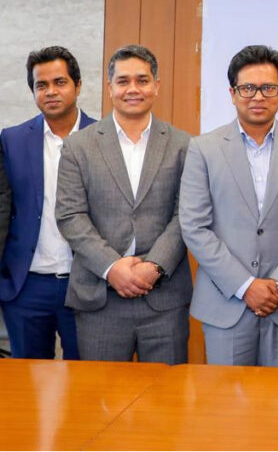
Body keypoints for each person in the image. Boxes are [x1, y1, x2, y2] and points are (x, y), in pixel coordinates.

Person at [180, 45, 278, 367]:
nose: (258, 97)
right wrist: (245, 286)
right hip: (226, 302)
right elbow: (194, 226)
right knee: (225, 399)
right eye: (248, 88)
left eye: (268, 88)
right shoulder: (203, 149)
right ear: (232, 93)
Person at [56, 44, 192, 364]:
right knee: (100, 392)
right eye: (123, 81)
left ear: (156, 86)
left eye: (142, 80)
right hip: (99, 297)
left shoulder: (183, 145)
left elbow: (186, 215)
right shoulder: (78, 146)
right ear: (110, 88)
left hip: (163, 300)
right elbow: (71, 215)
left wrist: (154, 266)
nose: (133, 89)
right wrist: (112, 267)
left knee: (167, 393)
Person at [0, 46, 96, 359]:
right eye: (41, 85)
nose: (51, 91)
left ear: (78, 85)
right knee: (27, 381)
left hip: (87, 283)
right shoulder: (12, 140)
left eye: (60, 82)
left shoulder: (104, 136)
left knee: (87, 380)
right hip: (26, 286)